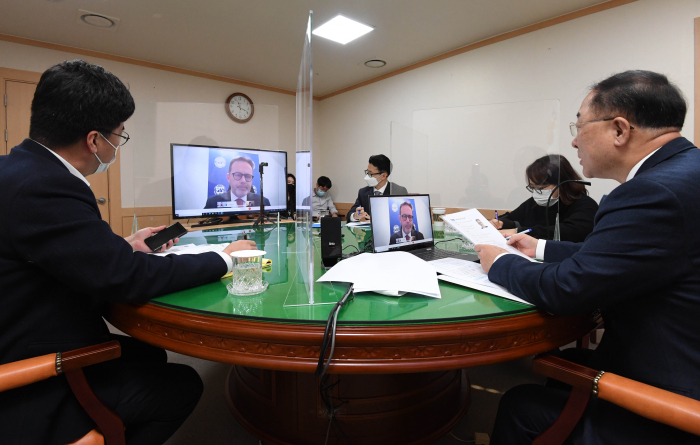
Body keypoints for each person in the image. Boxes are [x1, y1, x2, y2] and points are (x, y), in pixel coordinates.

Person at [0, 60, 256, 445]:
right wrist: (226, 258)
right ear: (94, 140)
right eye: (119, 136)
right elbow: (127, 279)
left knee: (149, 355)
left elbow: (50, 252)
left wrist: (122, 246)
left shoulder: (16, 170)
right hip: (38, 374)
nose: (117, 145)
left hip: (23, 330)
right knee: (183, 382)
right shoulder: (47, 186)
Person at [474, 71, 700, 444]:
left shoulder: (652, 191)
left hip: (671, 395)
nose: (575, 141)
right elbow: (626, 256)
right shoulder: (683, 173)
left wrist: (499, 262)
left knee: (520, 401)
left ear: (619, 130)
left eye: (578, 126)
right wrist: (539, 248)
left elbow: (567, 289)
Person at [489, 155, 598, 241]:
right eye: (533, 188)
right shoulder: (534, 203)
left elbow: (567, 232)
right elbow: (512, 217)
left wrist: (518, 231)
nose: (537, 193)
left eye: (541, 187)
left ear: (563, 183)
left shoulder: (586, 206)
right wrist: (501, 222)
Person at [348, 154, 408, 222]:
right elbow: (349, 214)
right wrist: (355, 216)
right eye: (367, 172)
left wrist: (376, 222)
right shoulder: (363, 192)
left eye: (371, 173)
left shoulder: (398, 191)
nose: (367, 176)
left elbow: (403, 218)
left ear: (383, 176)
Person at [203, 156, 270, 209]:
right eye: (238, 175)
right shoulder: (212, 202)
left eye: (248, 176)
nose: (243, 180)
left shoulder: (263, 202)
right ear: (228, 178)